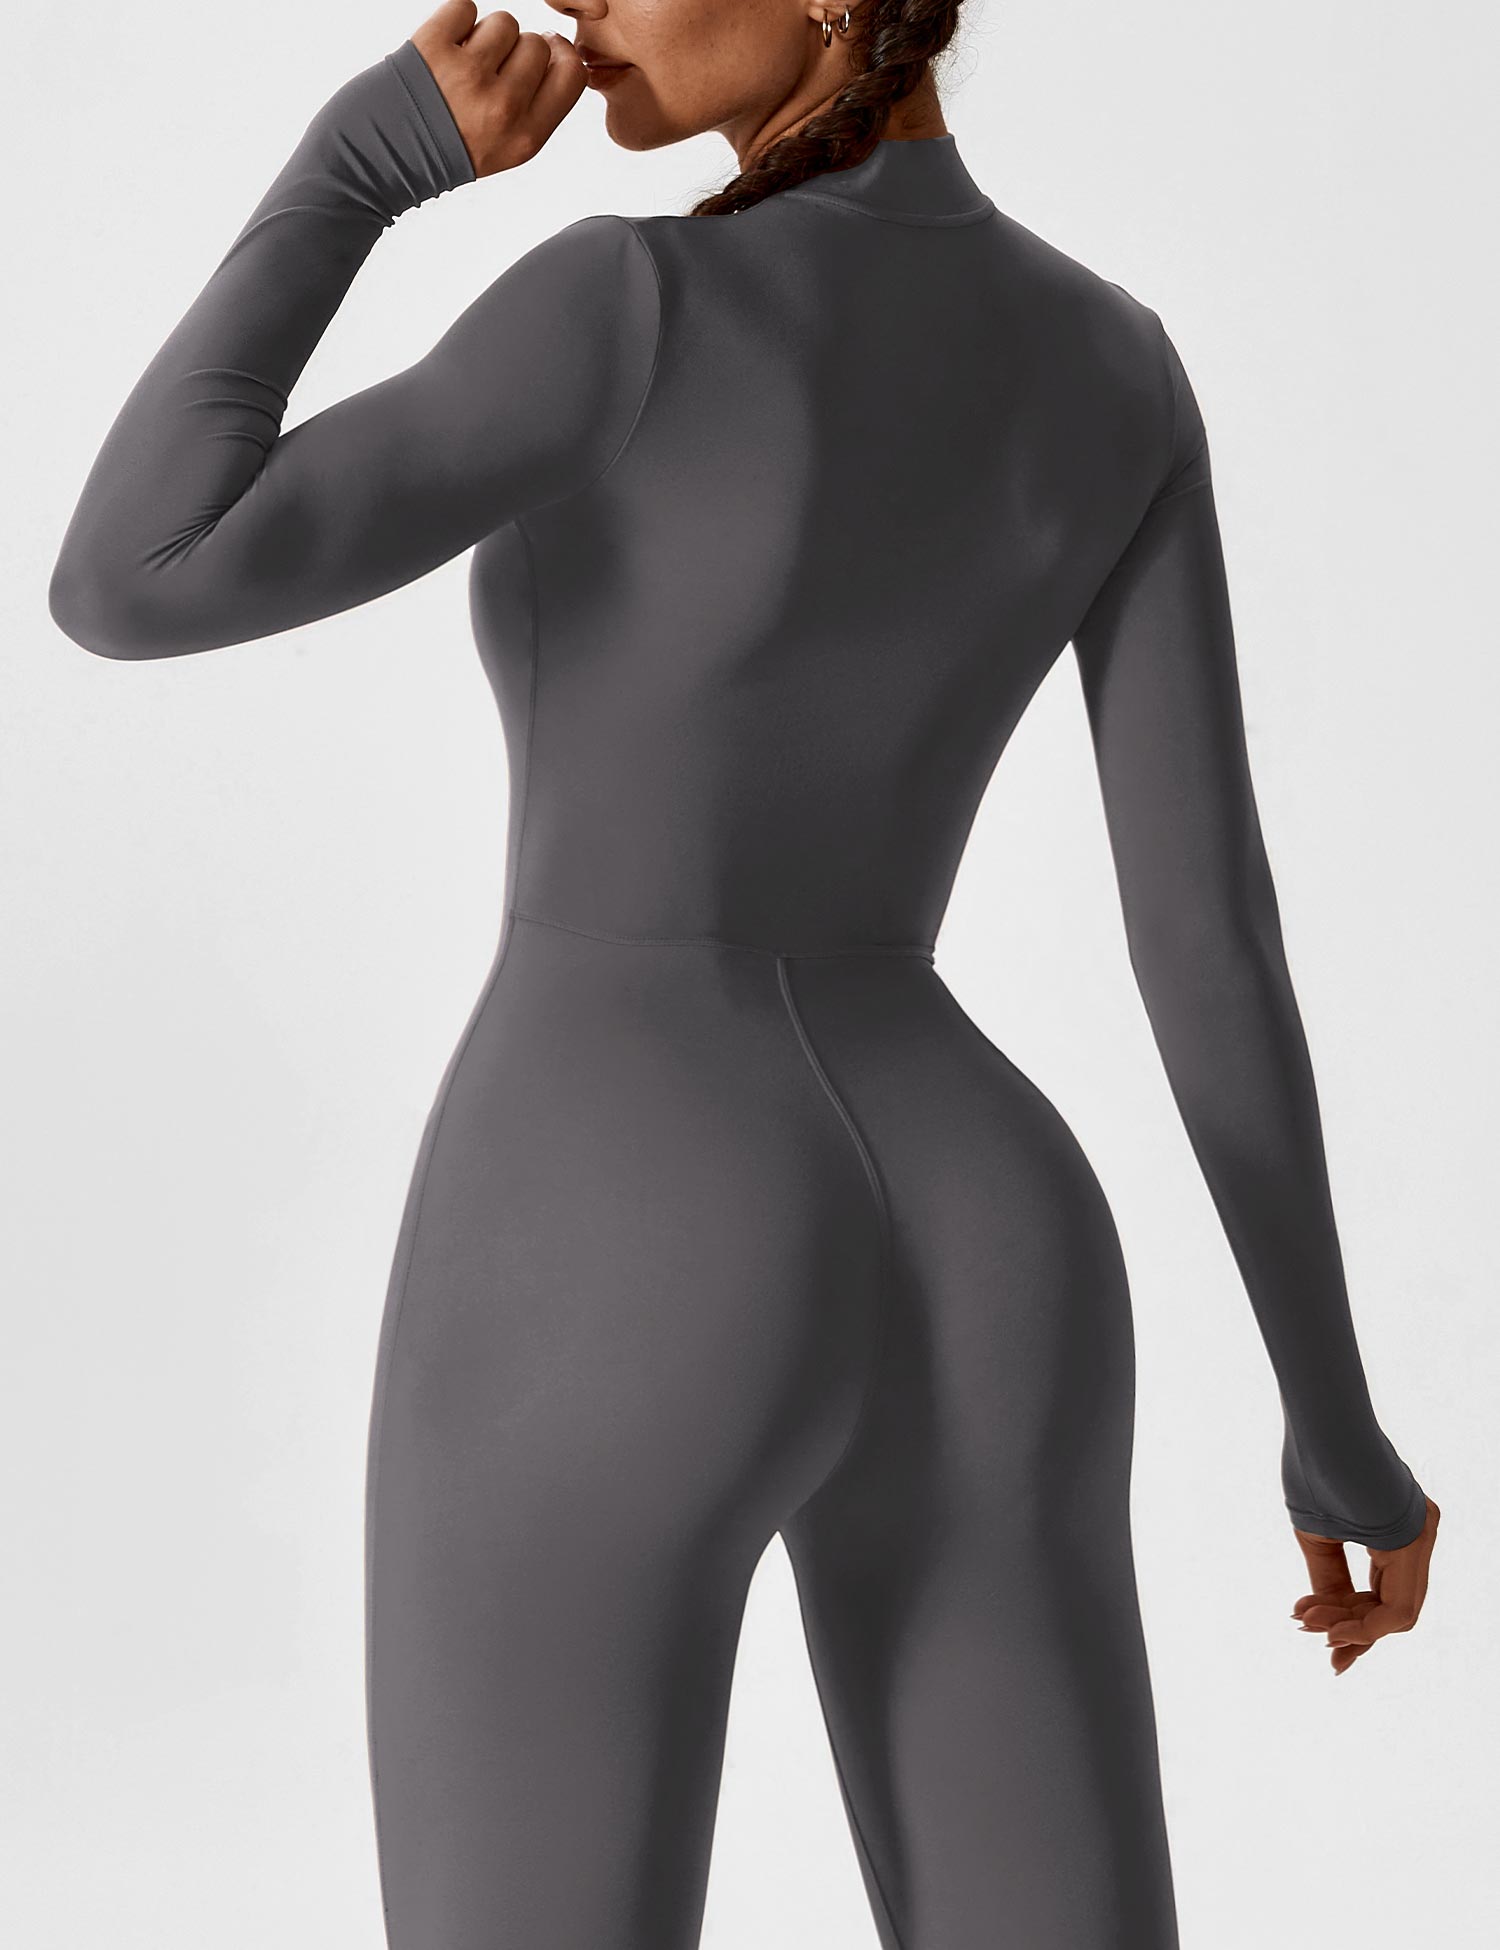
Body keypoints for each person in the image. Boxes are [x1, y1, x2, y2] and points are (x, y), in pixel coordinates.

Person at [47, 2, 1438, 1943]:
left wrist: (362, 166)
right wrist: (1336, 1425)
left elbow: (130, 576)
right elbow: (1207, 935)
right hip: (989, 1229)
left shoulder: (627, 306)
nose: (584, 3)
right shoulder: (1117, 366)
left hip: (612, 1197)